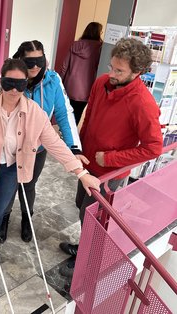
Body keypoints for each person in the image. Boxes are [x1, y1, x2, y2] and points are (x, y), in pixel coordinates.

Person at [0, 58, 100, 267]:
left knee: (0, 211)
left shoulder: (34, 112)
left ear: (26, 84)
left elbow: (54, 143)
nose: (14, 90)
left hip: (11, 169)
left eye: (20, 85)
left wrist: (81, 173)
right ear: (1, 81)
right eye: (9, 83)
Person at [58, 38, 163, 276]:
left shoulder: (143, 104)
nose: (111, 73)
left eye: (119, 70)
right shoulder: (101, 82)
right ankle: (84, 249)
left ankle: (87, 262)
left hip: (109, 173)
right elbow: (91, 115)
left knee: (96, 219)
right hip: (88, 164)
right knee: (81, 207)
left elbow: (153, 148)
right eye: (111, 66)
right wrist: (79, 149)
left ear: (137, 72)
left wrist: (112, 159)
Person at [0, 40, 83, 244]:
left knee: (28, 185)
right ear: (20, 59)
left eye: (40, 60)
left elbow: (64, 112)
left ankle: (27, 219)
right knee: (8, 185)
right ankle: (3, 219)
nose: (35, 66)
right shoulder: (9, 80)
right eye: (30, 61)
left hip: (38, 148)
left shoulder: (53, 80)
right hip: (10, 148)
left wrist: (74, 147)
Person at [60, 22, 103, 124]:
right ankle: (71, 136)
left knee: (66, 113)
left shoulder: (74, 45)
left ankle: (63, 135)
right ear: (98, 33)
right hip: (86, 88)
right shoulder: (100, 48)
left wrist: (60, 82)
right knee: (78, 113)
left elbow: (64, 66)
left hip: (70, 85)